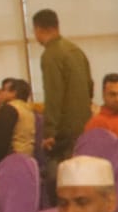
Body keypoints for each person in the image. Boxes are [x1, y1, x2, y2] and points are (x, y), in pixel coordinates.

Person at [34, 9, 92, 162]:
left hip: (64, 133)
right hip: (84, 125)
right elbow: (90, 86)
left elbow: (53, 96)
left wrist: (49, 132)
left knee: (63, 173)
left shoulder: (50, 55)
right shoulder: (75, 50)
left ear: (38, 29)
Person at [0, 78, 36, 169]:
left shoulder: (9, 109)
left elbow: (1, 142)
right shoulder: (28, 110)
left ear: (14, 93)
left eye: (4, 90)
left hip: (11, 161)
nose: (1, 93)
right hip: (26, 159)